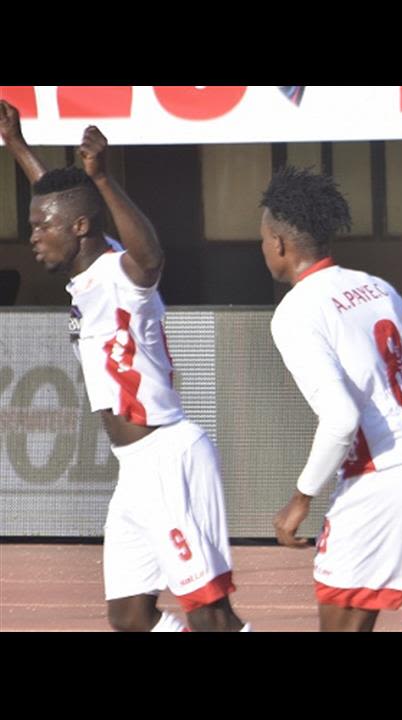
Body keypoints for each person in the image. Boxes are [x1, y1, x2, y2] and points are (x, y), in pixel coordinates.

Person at [4, 106, 246, 631]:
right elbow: (62, 200)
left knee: (211, 615)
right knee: (129, 615)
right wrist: (16, 144)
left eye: (41, 227)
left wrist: (102, 179)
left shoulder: (121, 273)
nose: (34, 236)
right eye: (32, 226)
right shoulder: (90, 263)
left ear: (80, 228)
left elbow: (151, 257)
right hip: (134, 470)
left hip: (166, 458)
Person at [263, 167, 402, 632]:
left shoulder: (295, 311)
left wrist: (300, 499)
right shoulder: (377, 288)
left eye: (262, 239)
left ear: (278, 243)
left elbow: (340, 418)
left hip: (382, 480)